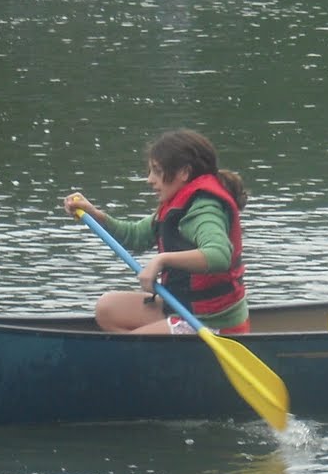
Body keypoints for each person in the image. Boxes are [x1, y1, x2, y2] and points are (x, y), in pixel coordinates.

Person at [62, 129, 250, 335]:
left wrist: (161, 260)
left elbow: (219, 255)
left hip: (210, 322)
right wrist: (96, 215)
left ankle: (145, 358)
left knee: (132, 347)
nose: (149, 179)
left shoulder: (204, 209)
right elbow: (135, 237)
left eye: (157, 171)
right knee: (107, 309)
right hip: (183, 308)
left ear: (184, 173)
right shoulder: (177, 203)